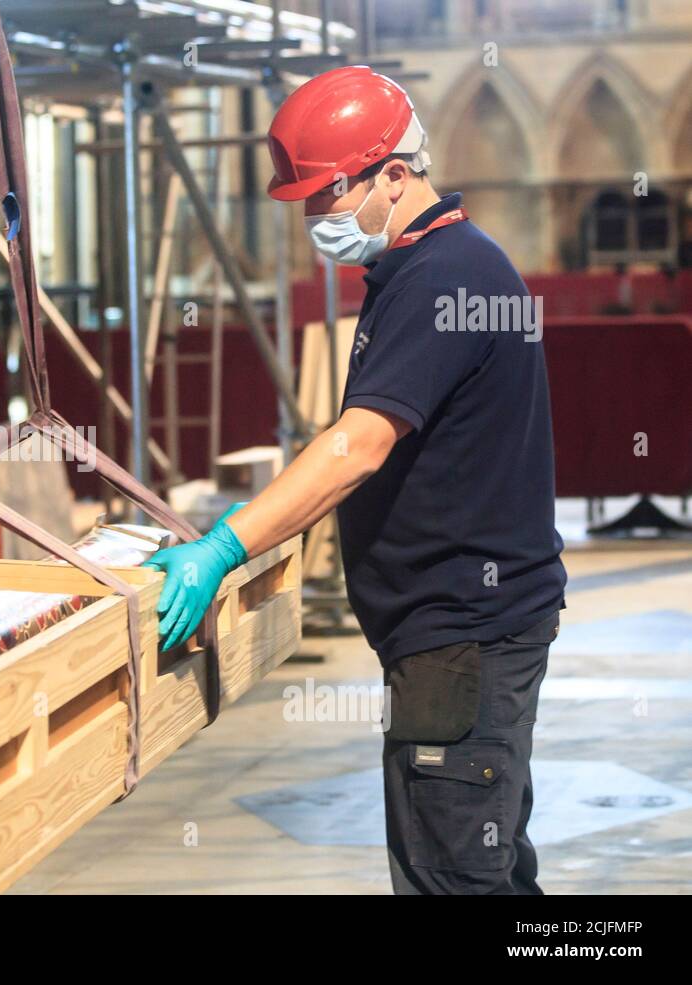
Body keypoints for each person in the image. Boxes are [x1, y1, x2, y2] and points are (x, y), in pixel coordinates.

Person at [143, 65, 567, 895]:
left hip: (463, 637)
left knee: (452, 877)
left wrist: (227, 544)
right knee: (488, 872)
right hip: (465, 631)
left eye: (326, 196)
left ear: (395, 175)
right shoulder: (430, 265)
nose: (313, 219)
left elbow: (359, 446)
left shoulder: (446, 276)